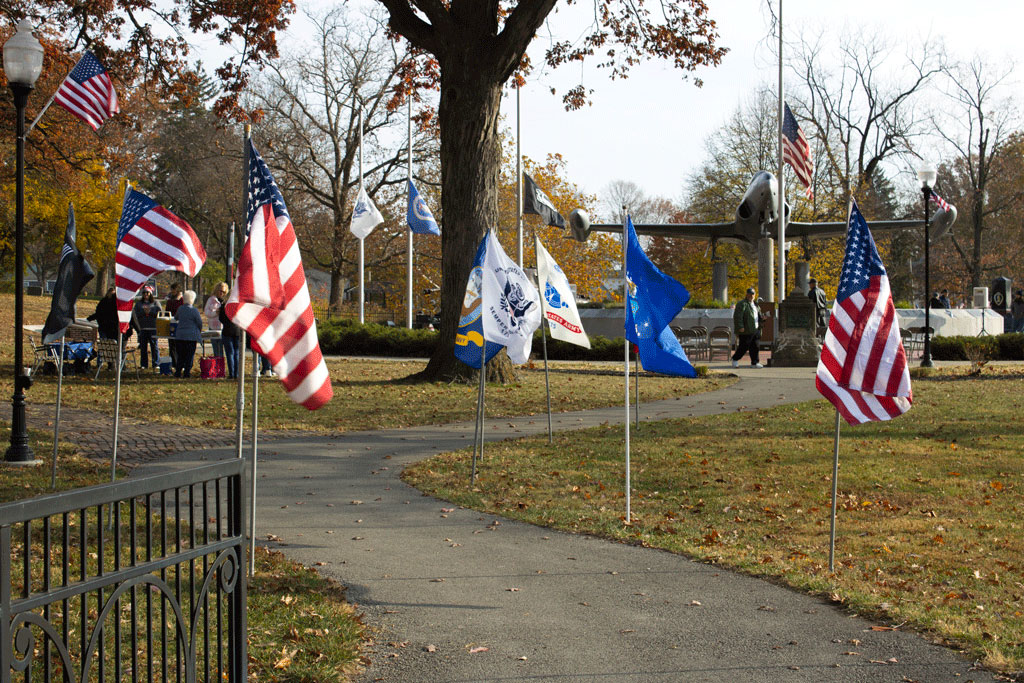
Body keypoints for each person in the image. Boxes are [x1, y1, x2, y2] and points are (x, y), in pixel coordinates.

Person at [173, 290, 203, 378]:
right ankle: (187, 372)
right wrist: (199, 330)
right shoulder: (194, 310)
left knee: (180, 355)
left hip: (180, 335)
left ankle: (178, 372)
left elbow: (176, 318)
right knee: (189, 355)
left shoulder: (180, 309)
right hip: (191, 337)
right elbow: (199, 322)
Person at [731, 287, 763, 368]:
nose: (751, 296)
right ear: (746, 294)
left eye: (752, 294)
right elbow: (738, 316)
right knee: (744, 346)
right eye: (749, 294)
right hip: (746, 329)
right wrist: (740, 327)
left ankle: (754, 362)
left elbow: (758, 316)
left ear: (755, 295)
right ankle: (735, 359)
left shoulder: (756, 305)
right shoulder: (742, 304)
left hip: (755, 329)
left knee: (755, 346)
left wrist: (763, 318)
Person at [132, 286, 162, 369]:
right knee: (143, 347)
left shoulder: (156, 303)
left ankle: (156, 363)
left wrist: (151, 312)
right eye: (144, 293)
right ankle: (144, 364)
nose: (146, 294)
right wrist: (143, 312)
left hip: (153, 328)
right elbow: (135, 315)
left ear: (151, 294)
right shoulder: (139, 304)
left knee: (154, 346)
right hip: (143, 328)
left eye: (147, 293)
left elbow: (160, 314)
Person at [204, 282, 228, 358]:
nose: (221, 293)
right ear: (216, 290)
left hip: (223, 329)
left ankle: (221, 366)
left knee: (222, 350)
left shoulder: (226, 301)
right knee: (215, 350)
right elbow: (207, 312)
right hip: (213, 328)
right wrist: (216, 312)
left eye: (223, 292)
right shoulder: (211, 300)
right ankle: (217, 366)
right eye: (220, 291)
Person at [218, 292, 239, 379]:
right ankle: (237, 373)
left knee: (230, 353)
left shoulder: (224, 307)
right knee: (236, 353)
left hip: (227, 330)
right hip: (237, 331)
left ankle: (231, 373)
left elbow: (221, 319)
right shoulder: (238, 306)